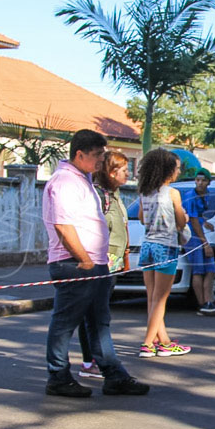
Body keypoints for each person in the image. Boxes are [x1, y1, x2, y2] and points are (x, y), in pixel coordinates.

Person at [42, 129, 149, 397]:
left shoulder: (83, 180)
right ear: (80, 154)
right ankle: (58, 376)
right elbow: (63, 227)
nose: (102, 160)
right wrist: (85, 260)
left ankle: (113, 375)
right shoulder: (65, 181)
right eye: (97, 155)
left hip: (95, 264)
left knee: (99, 321)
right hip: (75, 264)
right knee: (65, 323)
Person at [76, 151, 131, 379]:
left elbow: (122, 227)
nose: (128, 174)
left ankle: (98, 358)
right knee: (92, 313)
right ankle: (90, 361)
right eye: (124, 170)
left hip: (114, 260)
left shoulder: (115, 194)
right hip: (100, 260)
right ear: (111, 172)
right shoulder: (98, 196)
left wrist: (125, 257)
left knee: (100, 311)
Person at [136, 148, 192, 357]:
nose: (178, 172)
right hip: (166, 247)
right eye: (176, 169)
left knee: (152, 297)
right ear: (168, 170)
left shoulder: (144, 192)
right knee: (161, 300)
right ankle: (148, 344)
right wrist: (183, 216)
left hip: (148, 246)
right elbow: (180, 222)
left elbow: (142, 218)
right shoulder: (172, 193)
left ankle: (164, 341)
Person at [183, 168, 215, 316]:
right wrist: (204, 243)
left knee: (211, 269)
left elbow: (199, 216)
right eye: (197, 180)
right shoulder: (191, 196)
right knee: (199, 270)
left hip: (200, 233)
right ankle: (201, 304)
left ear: (208, 182)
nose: (200, 183)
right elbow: (193, 220)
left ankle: (209, 302)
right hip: (193, 237)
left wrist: (205, 222)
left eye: (203, 180)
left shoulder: (205, 195)